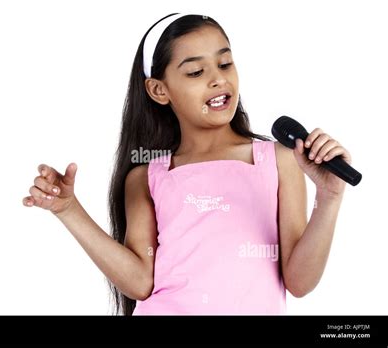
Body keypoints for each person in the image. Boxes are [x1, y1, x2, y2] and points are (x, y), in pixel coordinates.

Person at [22, 13, 352, 315]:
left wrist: (329, 197)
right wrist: (69, 210)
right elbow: (140, 281)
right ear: (158, 90)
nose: (217, 79)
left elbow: (299, 281)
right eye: (196, 71)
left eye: (225, 64)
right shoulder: (148, 176)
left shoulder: (279, 160)